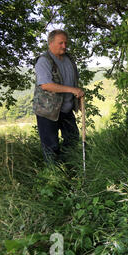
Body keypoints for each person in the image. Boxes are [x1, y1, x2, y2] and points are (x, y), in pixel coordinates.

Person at [33, 29, 84, 164]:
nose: (64, 46)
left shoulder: (68, 59)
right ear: (50, 43)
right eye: (60, 43)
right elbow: (45, 85)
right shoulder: (44, 61)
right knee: (51, 146)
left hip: (66, 109)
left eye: (65, 43)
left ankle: (69, 167)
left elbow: (72, 79)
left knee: (72, 139)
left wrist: (77, 92)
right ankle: (54, 177)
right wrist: (72, 90)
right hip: (48, 111)